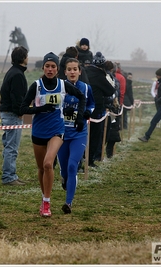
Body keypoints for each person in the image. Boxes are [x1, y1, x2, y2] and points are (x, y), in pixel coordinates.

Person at [20, 52, 86, 217]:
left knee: (49, 164)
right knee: (41, 168)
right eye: (47, 66)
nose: (50, 69)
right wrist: (39, 109)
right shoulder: (37, 86)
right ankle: (44, 199)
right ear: (43, 67)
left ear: (58, 69)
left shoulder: (63, 85)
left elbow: (81, 97)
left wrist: (79, 116)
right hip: (39, 131)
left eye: (53, 66)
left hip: (57, 130)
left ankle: (47, 204)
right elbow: (22, 109)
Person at [57, 58, 95, 214]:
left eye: (75, 69)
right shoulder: (59, 87)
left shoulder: (86, 88)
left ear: (80, 71)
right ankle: (65, 179)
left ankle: (68, 203)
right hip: (61, 134)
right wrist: (60, 111)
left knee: (73, 166)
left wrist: (87, 112)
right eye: (69, 69)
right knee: (64, 170)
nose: (72, 72)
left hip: (79, 133)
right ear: (65, 72)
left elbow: (92, 104)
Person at [0, 46, 29, 186]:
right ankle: (9, 177)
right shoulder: (17, 75)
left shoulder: (12, 72)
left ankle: (10, 174)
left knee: (8, 145)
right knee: (12, 147)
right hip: (12, 114)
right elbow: (17, 97)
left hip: (7, 113)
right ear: (23, 58)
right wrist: (20, 112)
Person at [85, 52, 116, 167]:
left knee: (83, 134)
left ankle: (82, 157)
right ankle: (90, 160)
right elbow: (110, 90)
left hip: (83, 106)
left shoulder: (85, 71)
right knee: (95, 135)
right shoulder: (100, 76)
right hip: (97, 108)